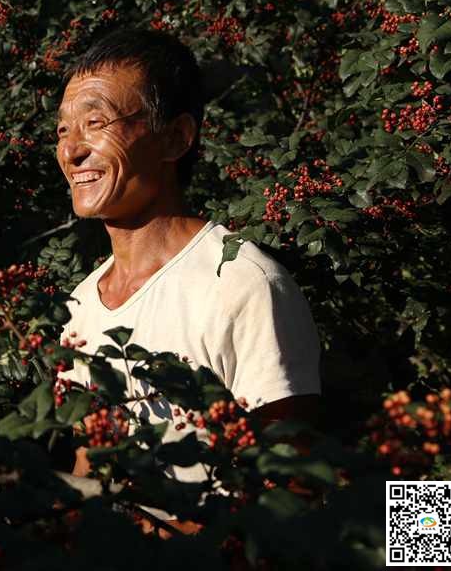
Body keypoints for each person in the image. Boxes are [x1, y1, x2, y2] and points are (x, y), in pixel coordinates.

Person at [54, 28, 322, 531]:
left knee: (440, 540)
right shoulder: (81, 306)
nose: (72, 151)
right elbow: (90, 464)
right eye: (63, 130)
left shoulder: (243, 284)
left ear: (176, 137)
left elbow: (291, 484)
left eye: (96, 122)